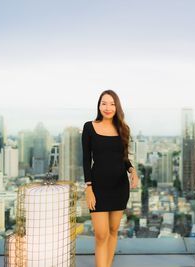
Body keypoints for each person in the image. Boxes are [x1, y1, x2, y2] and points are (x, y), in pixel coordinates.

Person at [81, 90, 139, 267]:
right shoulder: (89, 127)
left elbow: (123, 157)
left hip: (119, 186)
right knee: (101, 235)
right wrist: (88, 187)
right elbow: (85, 158)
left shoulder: (123, 128)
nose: (108, 107)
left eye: (112, 104)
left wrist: (132, 169)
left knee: (113, 231)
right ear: (99, 106)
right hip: (98, 187)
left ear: (117, 107)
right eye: (104, 103)